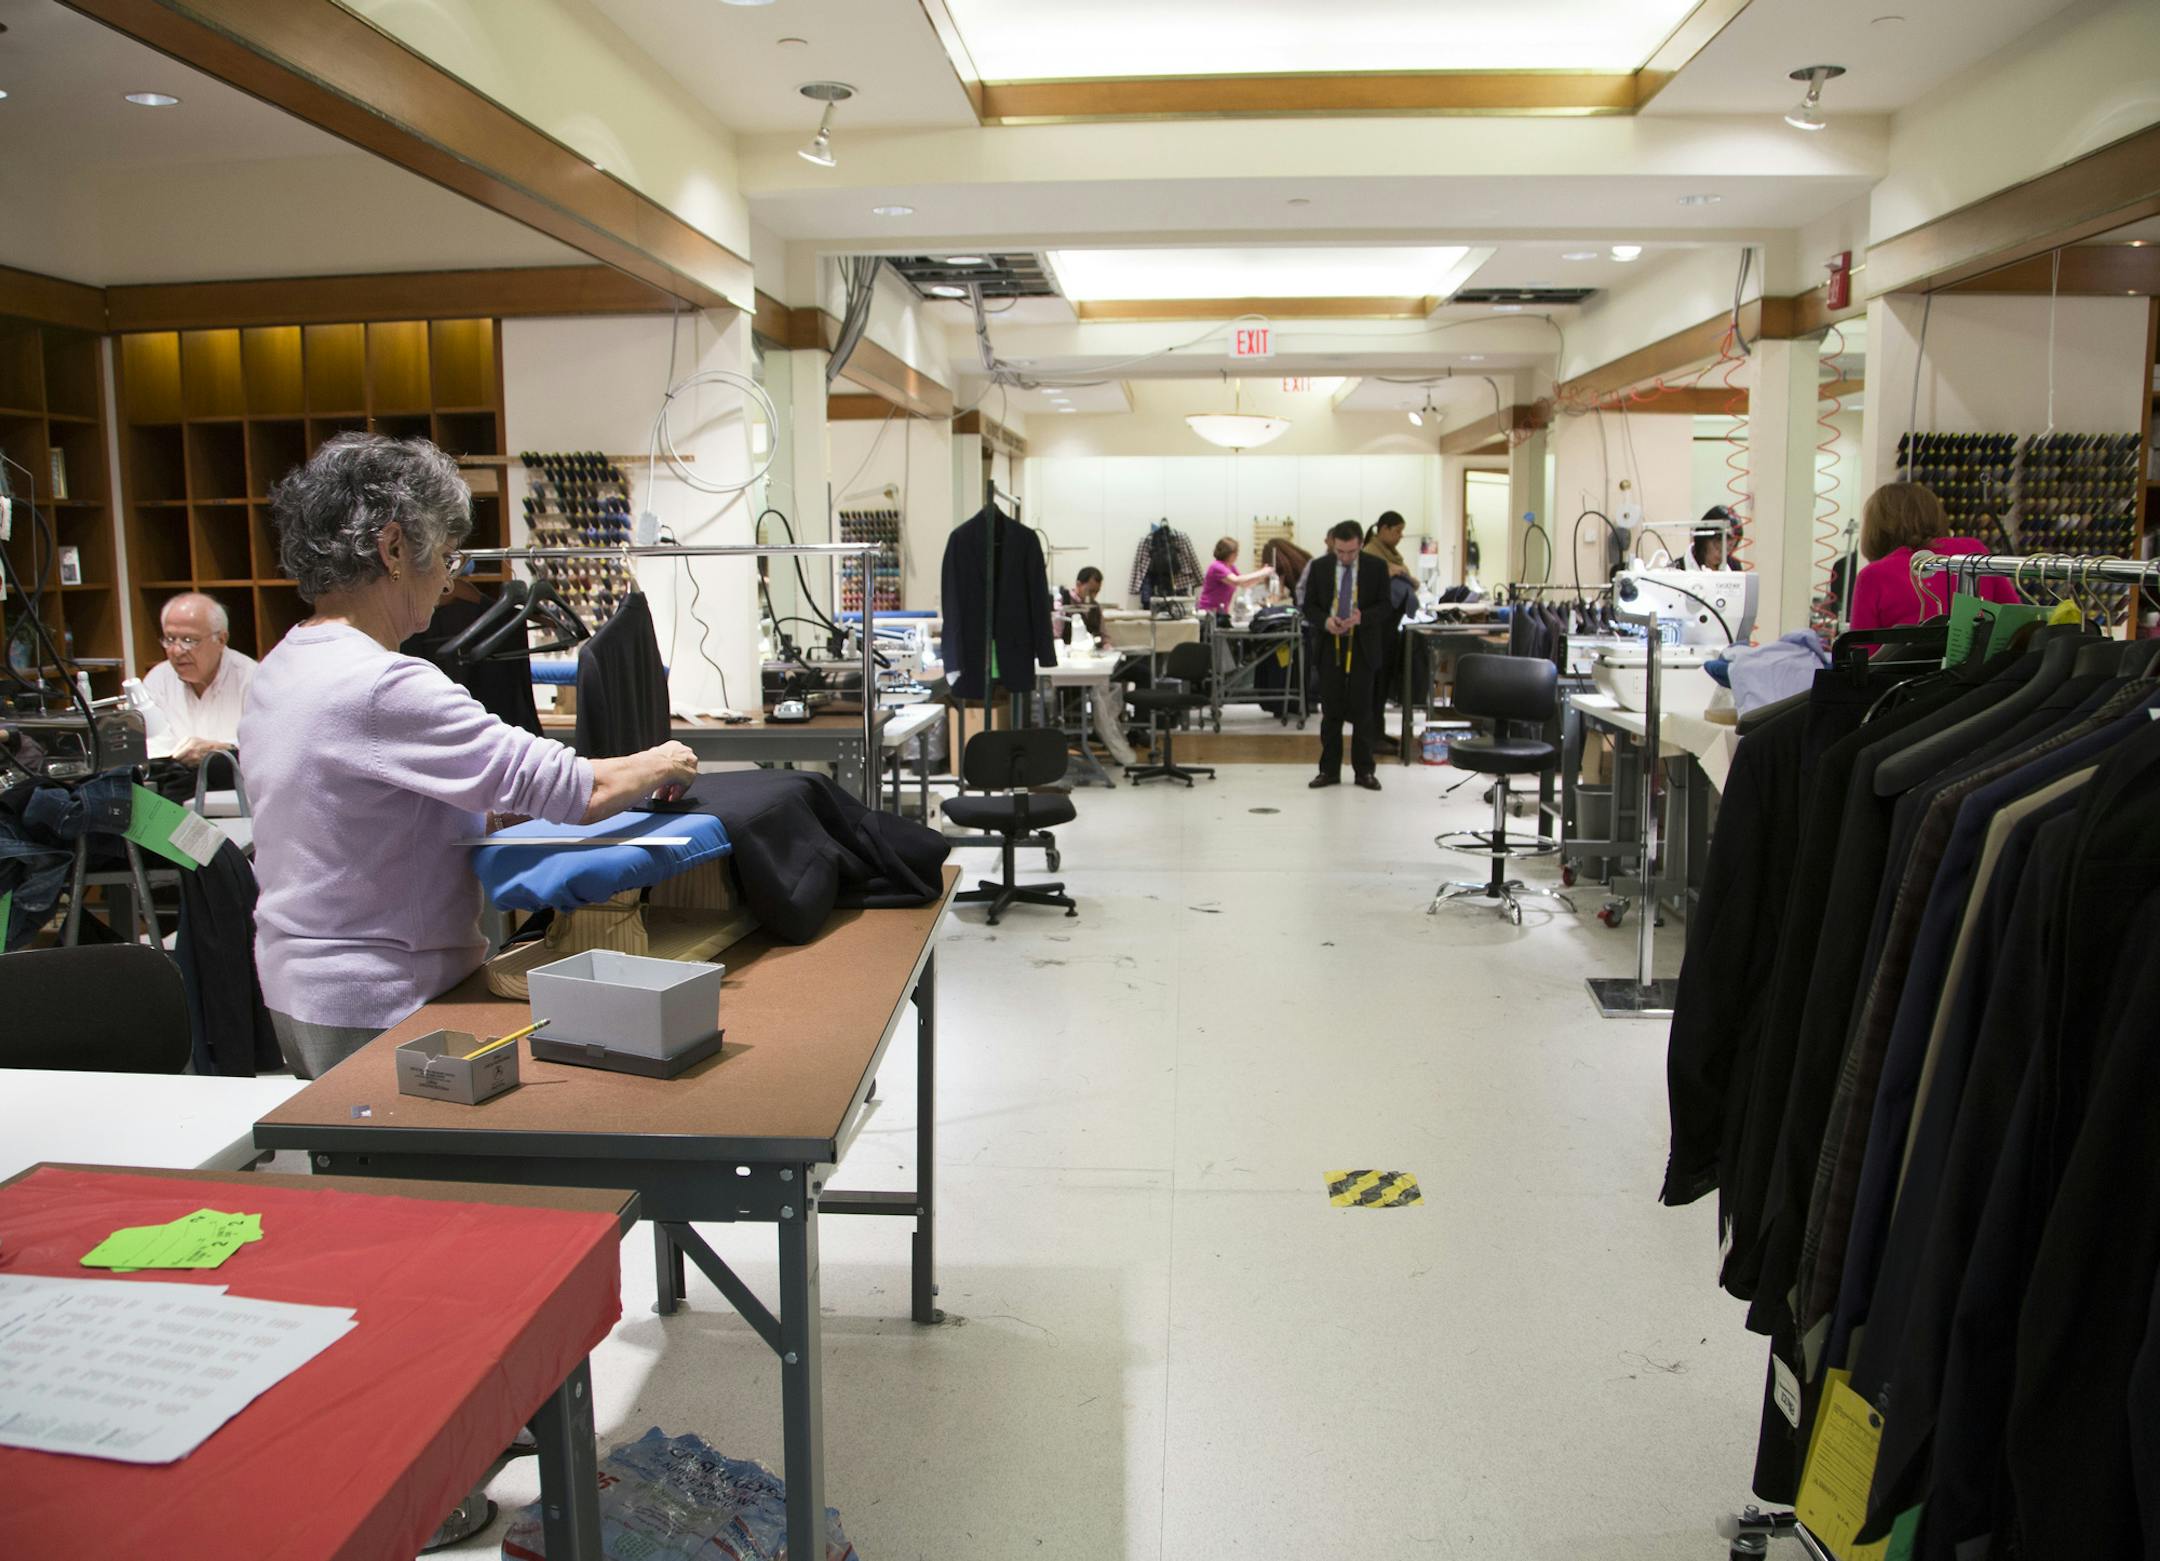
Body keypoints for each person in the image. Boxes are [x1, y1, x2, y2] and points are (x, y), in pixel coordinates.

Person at [239, 433, 699, 1079]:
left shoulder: (282, 664)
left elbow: (355, 815)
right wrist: (665, 758)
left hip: (302, 986)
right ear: (394, 547)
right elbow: (578, 790)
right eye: (446, 555)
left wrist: (478, 815)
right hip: (379, 998)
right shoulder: (380, 683)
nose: (449, 579)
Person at [1848, 481, 2020, 631]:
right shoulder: (1973, 550)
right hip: (1981, 666)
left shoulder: (1873, 575)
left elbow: (1861, 653)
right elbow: (2014, 618)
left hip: (1908, 667)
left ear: (1876, 527)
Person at [1302, 519, 1391, 791]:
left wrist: (1362, 618)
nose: (1345, 557)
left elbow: (1385, 605)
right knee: (1331, 712)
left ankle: (1364, 771)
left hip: (1363, 646)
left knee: (1364, 711)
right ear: (1333, 545)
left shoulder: (1376, 567)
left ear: (1361, 545)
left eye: (1351, 552)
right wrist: (1326, 621)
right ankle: (1328, 770)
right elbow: (1309, 606)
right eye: (1340, 551)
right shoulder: (1319, 567)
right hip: (1331, 646)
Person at [142, 591, 257, 764]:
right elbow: (152, 748)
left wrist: (220, 750)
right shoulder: (157, 680)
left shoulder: (253, 679)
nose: (177, 651)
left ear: (221, 639)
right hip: (177, 786)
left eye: (189, 640)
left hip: (236, 784)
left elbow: (265, 747)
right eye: (170, 639)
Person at [1194, 537, 1273, 618]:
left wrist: (1262, 576)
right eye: (1235, 553)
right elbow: (1237, 581)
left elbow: (1244, 584)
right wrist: (1262, 572)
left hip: (1221, 612)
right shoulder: (1216, 566)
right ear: (1228, 553)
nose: (1237, 556)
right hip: (1209, 613)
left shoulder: (1230, 567)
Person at [1364, 511, 1415, 581]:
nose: (1401, 535)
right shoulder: (1369, 553)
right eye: (1398, 531)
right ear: (1384, 529)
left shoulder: (1392, 553)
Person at [1059, 565, 1105, 642]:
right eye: (1090, 591)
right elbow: (1056, 637)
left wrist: (1107, 646)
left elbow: (1104, 636)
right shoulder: (1062, 602)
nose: (1093, 596)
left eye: (1097, 592)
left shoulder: (1096, 607)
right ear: (1078, 584)